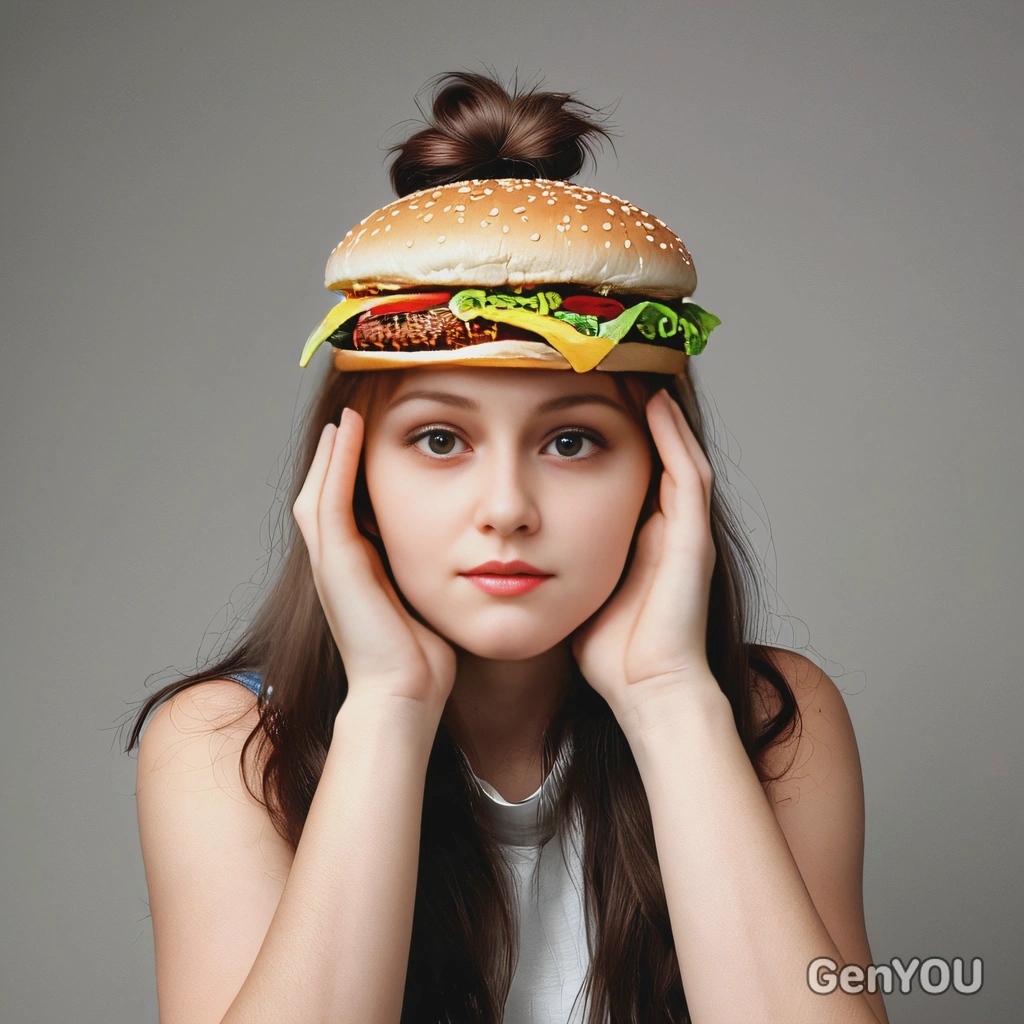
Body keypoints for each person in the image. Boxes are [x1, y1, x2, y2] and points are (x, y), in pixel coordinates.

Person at [125, 70, 888, 1024]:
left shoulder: (774, 715)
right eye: (439, 440)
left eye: (571, 441)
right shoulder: (224, 743)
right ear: (353, 473)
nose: (507, 509)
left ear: (664, 473)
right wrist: (389, 713)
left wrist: (670, 704)